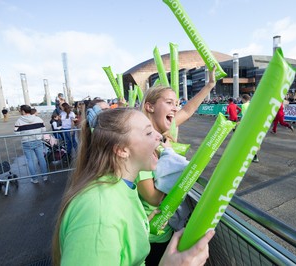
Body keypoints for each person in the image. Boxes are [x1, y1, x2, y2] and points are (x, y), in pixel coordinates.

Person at [52, 108, 214, 265]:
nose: (160, 137)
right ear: (122, 150)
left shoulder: (121, 187)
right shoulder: (99, 211)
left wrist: (142, 227)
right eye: (148, 133)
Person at [138, 67, 216, 265]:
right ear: (150, 107)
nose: (175, 108)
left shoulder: (165, 133)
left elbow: (188, 110)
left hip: (168, 228)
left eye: (176, 103)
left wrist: (209, 85)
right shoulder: (139, 143)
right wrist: (179, 174)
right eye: (169, 103)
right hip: (150, 235)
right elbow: (154, 198)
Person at [14, 105, 48, 183]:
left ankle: (34, 178)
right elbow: (44, 129)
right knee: (41, 158)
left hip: (26, 142)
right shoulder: (38, 119)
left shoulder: (19, 121)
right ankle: (45, 176)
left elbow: (16, 133)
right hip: (38, 140)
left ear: (23, 111)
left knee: (30, 161)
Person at [240, 94, 258, 162]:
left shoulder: (244, 105)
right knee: (252, 140)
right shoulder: (252, 104)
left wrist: (240, 124)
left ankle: (249, 155)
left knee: (245, 140)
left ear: (244, 99)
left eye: (242, 99)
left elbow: (245, 116)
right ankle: (255, 155)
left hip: (246, 125)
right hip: (253, 124)